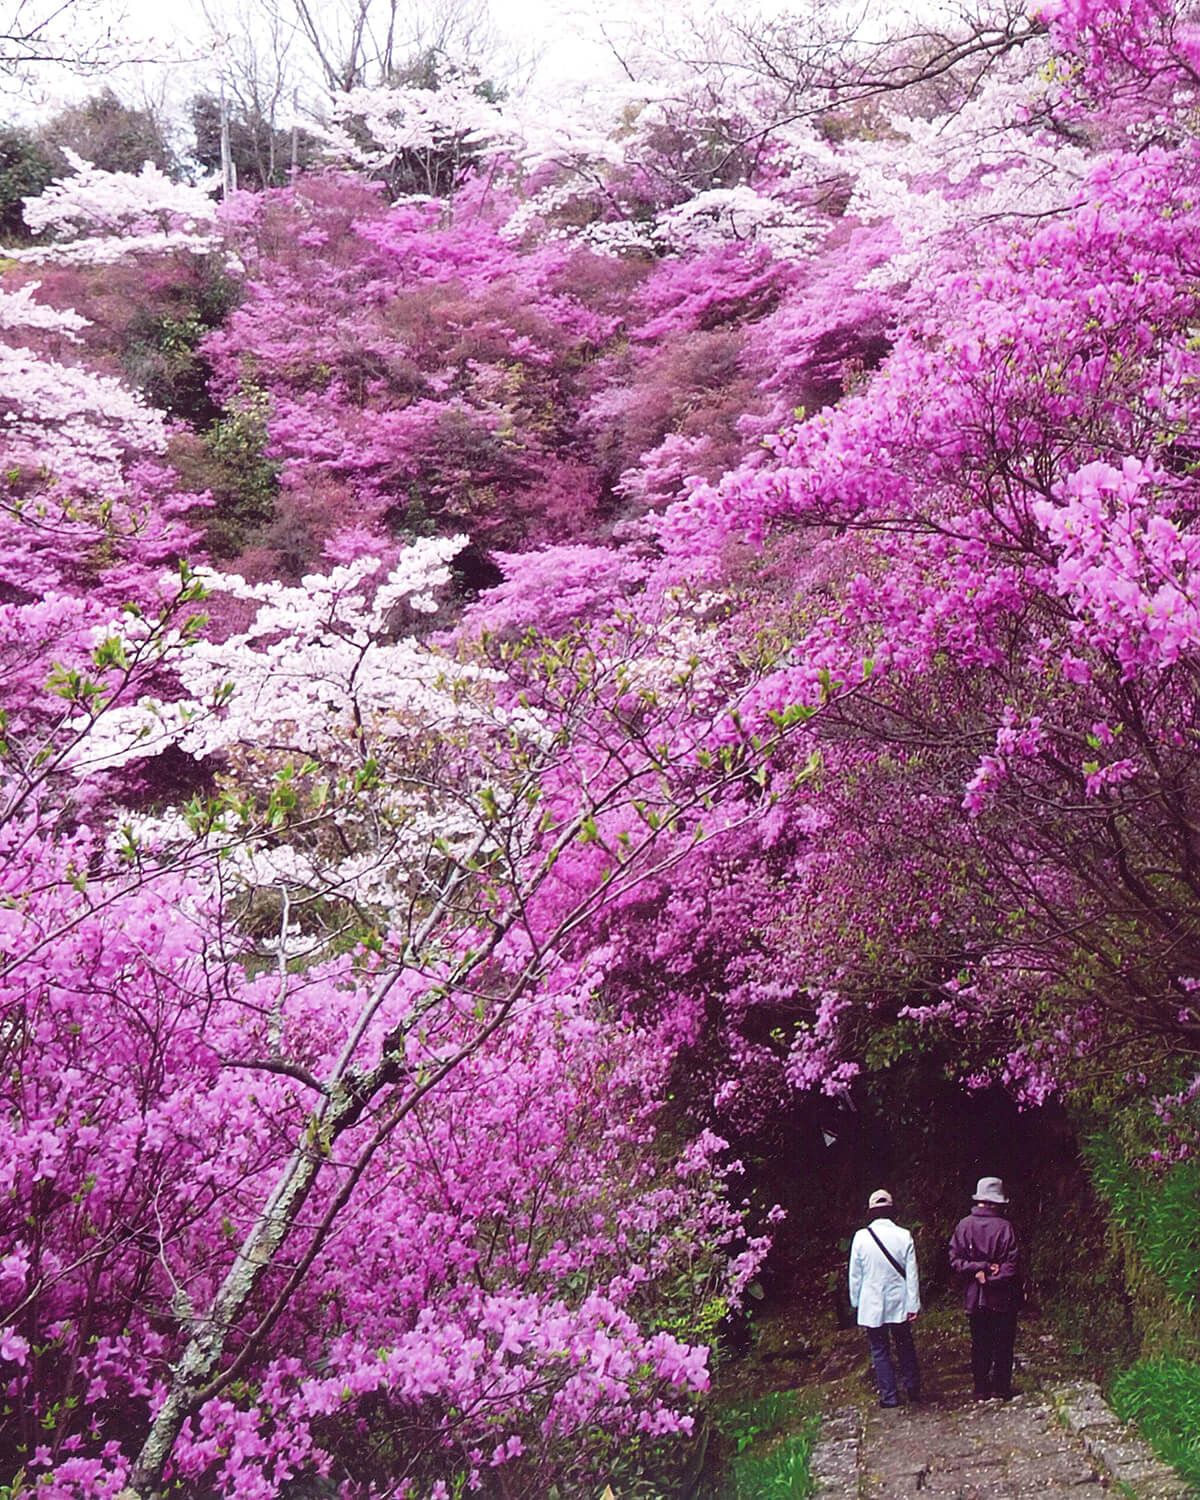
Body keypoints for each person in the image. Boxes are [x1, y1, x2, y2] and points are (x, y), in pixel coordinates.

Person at [948, 1176, 1022, 1400]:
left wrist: (976, 1270)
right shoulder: (1005, 1227)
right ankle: (1001, 1388)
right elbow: (1012, 1265)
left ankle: (981, 1388)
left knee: (979, 1343)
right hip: (1002, 1297)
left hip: (974, 1296)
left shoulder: (964, 1225)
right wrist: (990, 1272)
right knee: (1003, 1342)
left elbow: (954, 1260)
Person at [848, 1188, 921, 1408]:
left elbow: (855, 1275)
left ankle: (889, 1396)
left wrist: (856, 1302)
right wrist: (913, 1304)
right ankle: (913, 1389)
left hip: (872, 1302)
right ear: (892, 1210)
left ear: (871, 1212)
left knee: (879, 1349)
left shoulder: (861, 1238)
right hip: (899, 1300)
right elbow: (912, 1274)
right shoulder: (904, 1235)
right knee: (905, 1345)